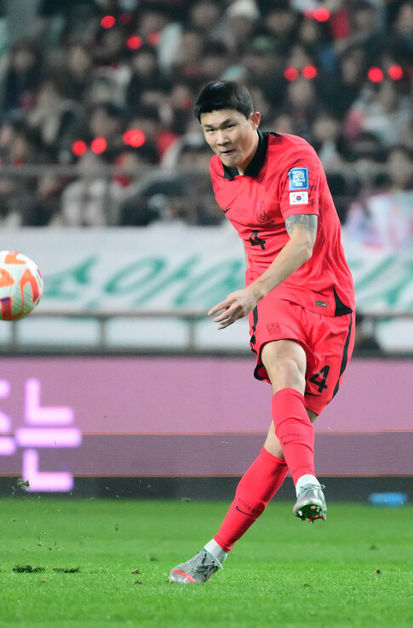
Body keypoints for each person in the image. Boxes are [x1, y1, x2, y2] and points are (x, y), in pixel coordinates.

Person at [169, 81, 356, 584]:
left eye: (229, 125)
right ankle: (309, 481)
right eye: (209, 130)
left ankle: (212, 554)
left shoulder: (296, 160)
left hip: (327, 300)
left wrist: (250, 293)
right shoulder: (216, 171)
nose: (220, 139)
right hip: (273, 298)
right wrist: (258, 294)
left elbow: (302, 239)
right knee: (284, 370)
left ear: (254, 120)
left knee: (279, 443)